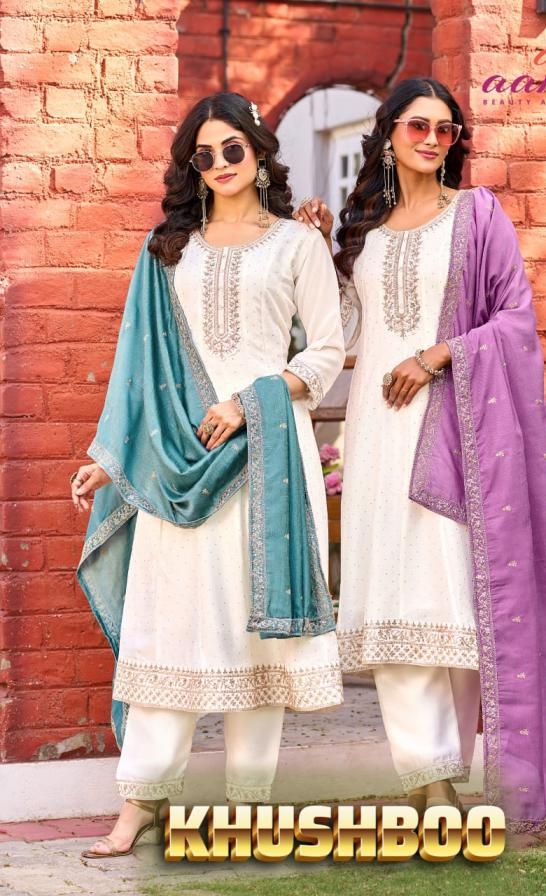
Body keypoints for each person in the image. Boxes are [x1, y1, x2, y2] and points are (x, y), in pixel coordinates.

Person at [295, 77, 546, 833]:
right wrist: (320, 254)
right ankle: (429, 784)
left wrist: (436, 356)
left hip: (456, 432)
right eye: (418, 126)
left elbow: (516, 320)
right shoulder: (365, 230)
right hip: (378, 434)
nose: (432, 139)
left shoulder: (477, 215)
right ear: (388, 133)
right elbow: (346, 335)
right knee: (394, 604)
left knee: (452, 604)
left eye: (446, 129)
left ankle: (453, 771)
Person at [71, 92, 346, 857]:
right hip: (175, 462)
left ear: (259, 152)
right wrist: (108, 460)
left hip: (266, 453)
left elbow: (325, 352)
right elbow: (138, 372)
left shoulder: (298, 245)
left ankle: (248, 808)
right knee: (168, 629)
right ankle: (141, 804)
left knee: (255, 636)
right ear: (191, 166)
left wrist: (244, 403)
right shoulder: (169, 249)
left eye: (234, 148)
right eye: (205, 154)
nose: (221, 163)